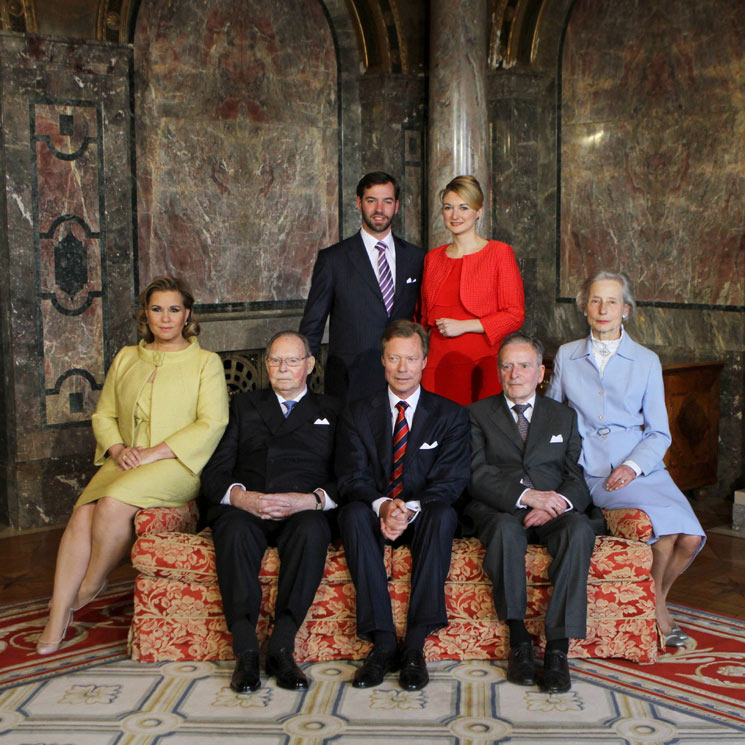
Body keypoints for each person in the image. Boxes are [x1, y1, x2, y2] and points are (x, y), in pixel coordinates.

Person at [36, 276, 229, 655]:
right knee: (81, 515)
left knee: (110, 505)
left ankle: (90, 585)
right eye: (157, 309)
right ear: (146, 314)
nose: (166, 318)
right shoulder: (127, 357)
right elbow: (103, 414)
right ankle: (59, 613)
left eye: (174, 309)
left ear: (187, 314)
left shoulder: (206, 363)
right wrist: (118, 448)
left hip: (174, 465)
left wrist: (154, 452)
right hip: (125, 460)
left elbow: (212, 423)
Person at [546, 270, 705, 647]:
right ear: (585, 307)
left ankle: (654, 599)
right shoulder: (568, 356)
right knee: (665, 536)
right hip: (593, 471)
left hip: (642, 467)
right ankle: (661, 613)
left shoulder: (647, 360)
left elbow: (659, 432)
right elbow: (551, 415)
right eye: (596, 300)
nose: (603, 309)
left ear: (626, 310)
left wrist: (633, 466)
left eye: (612, 301)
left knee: (692, 538)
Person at [200, 331, 341, 693]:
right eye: (275, 360)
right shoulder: (244, 405)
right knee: (231, 530)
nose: (283, 368)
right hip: (250, 506)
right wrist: (242, 497)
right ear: (266, 365)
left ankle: (281, 645)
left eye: (292, 360)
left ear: (309, 365)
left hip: (302, 509)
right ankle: (246, 649)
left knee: (312, 530)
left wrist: (310, 500)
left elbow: (352, 475)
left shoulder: (333, 410)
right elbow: (215, 471)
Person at [336, 320, 470, 691]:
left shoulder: (450, 415)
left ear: (424, 360)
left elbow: (452, 481)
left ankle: (413, 645)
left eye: (410, 359)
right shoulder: (357, 412)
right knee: (351, 513)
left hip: (424, 511)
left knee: (443, 513)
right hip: (374, 510)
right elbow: (351, 476)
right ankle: (381, 643)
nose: (402, 368)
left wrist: (408, 508)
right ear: (383, 360)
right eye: (394, 358)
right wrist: (383, 507)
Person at [466, 333, 598, 693]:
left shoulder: (563, 417)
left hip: (553, 510)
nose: (515, 374)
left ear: (541, 373)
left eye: (524, 366)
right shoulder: (477, 414)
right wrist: (527, 498)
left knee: (580, 530)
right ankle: (519, 639)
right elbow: (476, 475)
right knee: (506, 533)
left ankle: (557, 649)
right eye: (506, 366)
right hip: (502, 509)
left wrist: (555, 503)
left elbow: (577, 478)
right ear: (498, 372)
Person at [300, 172, 425, 402]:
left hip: (403, 380)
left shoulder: (416, 258)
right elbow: (312, 326)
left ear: (396, 206)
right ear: (359, 203)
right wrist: (300, 385)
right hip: (350, 383)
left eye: (387, 201)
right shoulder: (333, 260)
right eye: (371, 200)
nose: (379, 209)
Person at [419, 175, 525, 405]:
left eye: (463, 207)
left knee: (479, 432)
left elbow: (515, 315)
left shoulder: (499, 253)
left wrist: (464, 326)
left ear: (478, 212)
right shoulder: (433, 258)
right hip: (436, 364)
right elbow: (423, 318)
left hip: (482, 362)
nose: (455, 215)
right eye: (448, 207)